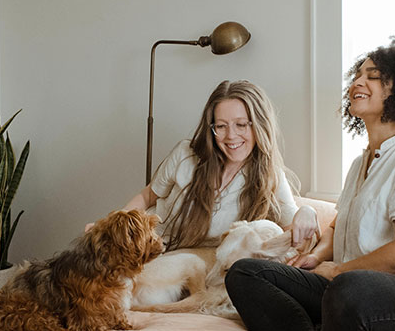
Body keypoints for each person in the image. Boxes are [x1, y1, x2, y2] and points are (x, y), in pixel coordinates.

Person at [225, 38, 395, 331]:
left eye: (372, 76)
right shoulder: (362, 163)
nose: (358, 81)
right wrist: (315, 258)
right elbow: (338, 224)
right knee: (246, 273)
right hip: (353, 290)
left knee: (348, 290)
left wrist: (338, 271)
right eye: (357, 74)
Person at [88, 80, 318, 251]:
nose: (231, 136)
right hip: (150, 249)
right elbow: (148, 197)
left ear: (259, 125)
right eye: (221, 126)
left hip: (197, 266)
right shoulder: (186, 154)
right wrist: (108, 227)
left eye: (241, 125)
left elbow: (294, 231)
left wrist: (308, 211)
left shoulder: (270, 175)